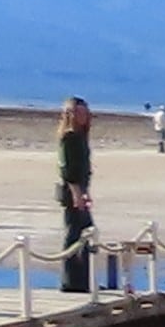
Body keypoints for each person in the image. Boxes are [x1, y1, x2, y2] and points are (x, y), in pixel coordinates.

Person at [57, 97, 99, 293]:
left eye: (85, 113)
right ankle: (72, 281)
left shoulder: (81, 136)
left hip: (81, 188)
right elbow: (67, 170)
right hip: (72, 190)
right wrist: (77, 194)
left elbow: (83, 168)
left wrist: (86, 192)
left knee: (86, 232)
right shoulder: (69, 137)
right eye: (79, 113)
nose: (83, 117)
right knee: (76, 234)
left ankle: (84, 280)